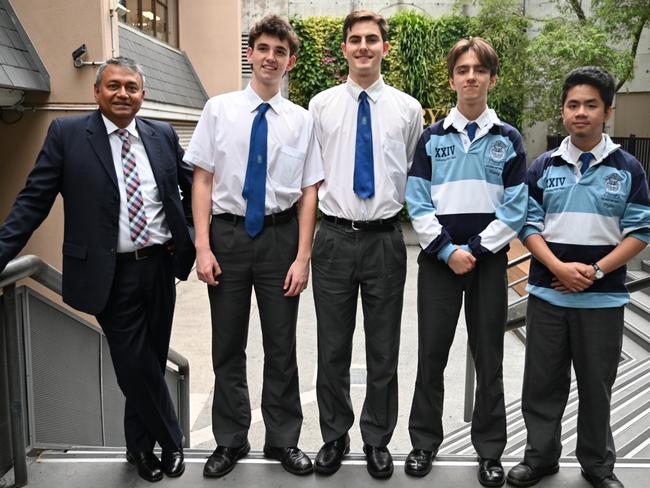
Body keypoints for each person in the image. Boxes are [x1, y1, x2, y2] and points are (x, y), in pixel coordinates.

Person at [0, 57, 195, 482]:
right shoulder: (68, 135)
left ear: (143, 94)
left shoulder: (161, 134)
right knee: (135, 365)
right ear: (97, 92)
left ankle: (140, 451)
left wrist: (193, 237)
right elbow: (33, 200)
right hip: (110, 274)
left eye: (131, 87)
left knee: (152, 359)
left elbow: (190, 186)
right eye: (114, 86)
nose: (123, 93)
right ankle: (175, 441)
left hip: (160, 266)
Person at [184, 15, 322, 478]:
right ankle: (230, 440)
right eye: (263, 48)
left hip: (281, 239)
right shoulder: (218, 110)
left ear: (290, 61)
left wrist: (302, 257)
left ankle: (284, 440)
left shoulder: (302, 121)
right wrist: (202, 247)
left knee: (281, 345)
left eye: (280, 52)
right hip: (227, 236)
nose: (270, 58)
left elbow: (309, 193)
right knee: (227, 344)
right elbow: (201, 180)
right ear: (251, 54)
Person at [506, 66, 650, 488]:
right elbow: (528, 227)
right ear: (563, 111)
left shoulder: (628, 169)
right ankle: (540, 458)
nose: (580, 112)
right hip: (548, 298)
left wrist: (596, 270)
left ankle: (598, 466)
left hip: (602, 301)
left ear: (608, 110)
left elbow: (640, 230)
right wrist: (558, 269)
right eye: (573, 105)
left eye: (590, 105)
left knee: (596, 388)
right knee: (541, 386)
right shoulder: (542, 166)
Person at [403, 37, 527, 486]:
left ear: (492, 79)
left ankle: (490, 452)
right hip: (439, 263)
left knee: (489, 356)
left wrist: (472, 251)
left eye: (479, 70)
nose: (470, 77)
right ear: (453, 78)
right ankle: (422, 444)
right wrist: (447, 250)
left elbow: (514, 209)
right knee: (431, 356)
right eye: (462, 70)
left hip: (488, 263)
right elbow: (416, 201)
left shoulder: (508, 139)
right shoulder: (431, 138)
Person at [308, 10, 422, 479]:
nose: (363, 47)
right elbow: (310, 179)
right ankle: (334, 435)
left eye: (371, 39)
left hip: (385, 241)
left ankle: (377, 438)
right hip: (332, 238)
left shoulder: (407, 109)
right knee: (331, 348)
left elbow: (413, 171)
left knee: (383, 348)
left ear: (384, 48)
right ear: (345, 48)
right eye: (354, 39)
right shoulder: (320, 106)